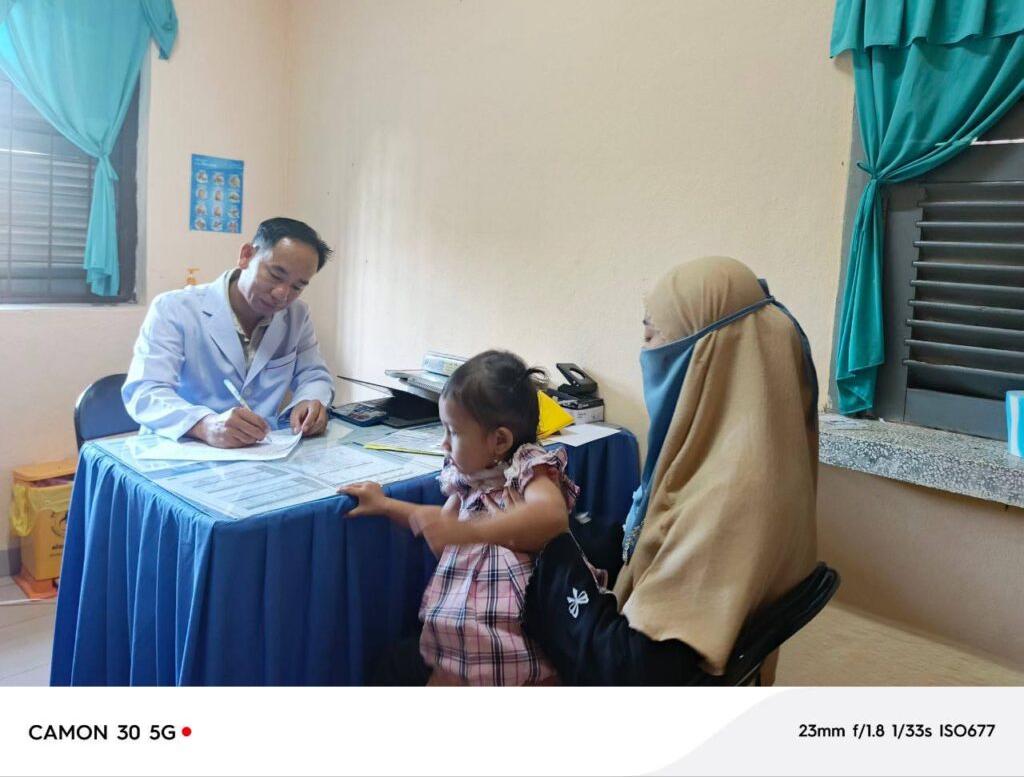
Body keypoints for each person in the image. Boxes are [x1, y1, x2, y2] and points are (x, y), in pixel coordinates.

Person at [520, 256, 819, 685]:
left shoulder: (726, 498)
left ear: (708, 358)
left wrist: (553, 549)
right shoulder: (745, 456)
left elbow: (628, 670)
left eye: (652, 335)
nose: (644, 351)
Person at [340, 350, 584, 685]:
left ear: (500, 440)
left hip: (519, 637)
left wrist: (473, 531)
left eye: (453, 432)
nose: (444, 443)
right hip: (462, 638)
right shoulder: (467, 479)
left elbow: (551, 516)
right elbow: (440, 529)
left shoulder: (527, 467)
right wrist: (385, 505)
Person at [123, 217, 336, 448]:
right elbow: (144, 391)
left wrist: (309, 401)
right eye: (276, 275)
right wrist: (204, 425)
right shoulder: (174, 308)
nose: (282, 294)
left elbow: (313, 374)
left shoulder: (297, 315)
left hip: (260, 450)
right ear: (246, 256)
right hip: (182, 448)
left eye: (297, 286)